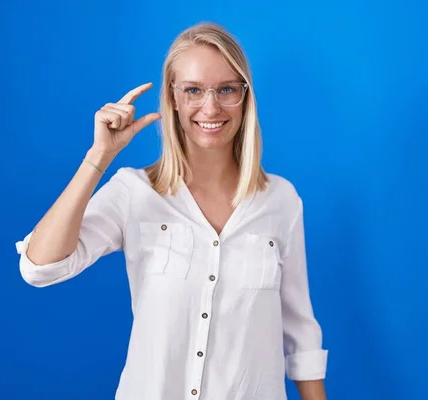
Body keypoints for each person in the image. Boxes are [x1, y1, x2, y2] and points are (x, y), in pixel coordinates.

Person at [16, 22, 329, 400]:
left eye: (227, 89)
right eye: (194, 90)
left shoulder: (281, 200)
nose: (210, 107)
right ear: (173, 97)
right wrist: (98, 157)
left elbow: (300, 333)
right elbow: (40, 267)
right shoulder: (134, 192)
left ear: (245, 97)